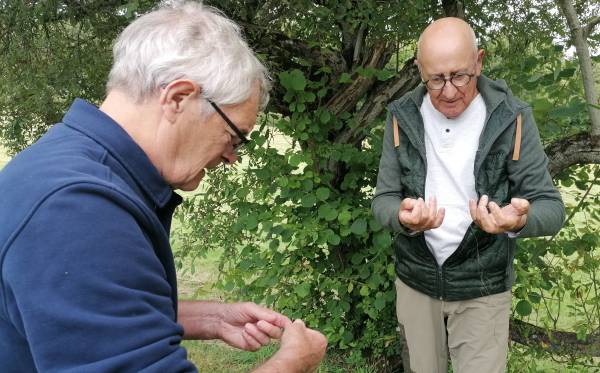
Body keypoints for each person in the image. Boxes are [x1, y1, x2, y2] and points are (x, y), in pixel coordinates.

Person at [0, 2, 326, 372]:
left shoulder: (67, 163)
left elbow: (77, 307)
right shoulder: (80, 210)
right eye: (234, 137)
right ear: (177, 98)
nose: (232, 157)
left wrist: (210, 318)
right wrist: (293, 362)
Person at [372, 17, 565, 373]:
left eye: (460, 76)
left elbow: (552, 208)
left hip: (483, 284)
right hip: (417, 280)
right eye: (435, 79)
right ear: (419, 70)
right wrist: (402, 216)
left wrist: (518, 220)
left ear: (479, 61)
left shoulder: (512, 117)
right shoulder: (401, 116)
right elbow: (383, 199)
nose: (448, 91)